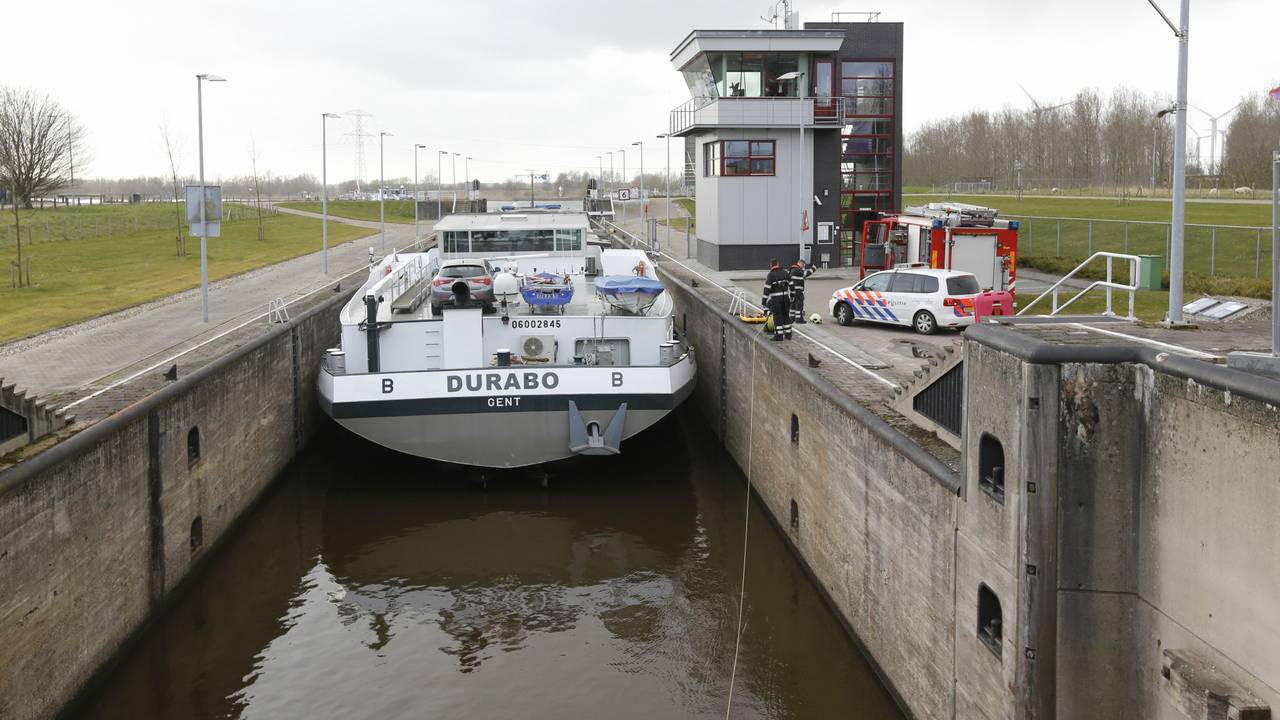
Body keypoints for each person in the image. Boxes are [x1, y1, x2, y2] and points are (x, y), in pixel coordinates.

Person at [762, 259, 792, 341]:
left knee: (777, 317)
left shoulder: (770, 275)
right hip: (786, 298)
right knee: (786, 315)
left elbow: (766, 289)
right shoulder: (785, 272)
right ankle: (788, 334)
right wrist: (792, 296)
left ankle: (779, 336)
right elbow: (792, 285)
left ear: (771, 265)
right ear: (778, 264)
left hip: (776, 300)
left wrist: (764, 302)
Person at [789, 259, 816, 324]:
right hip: (798, 291)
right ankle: (799, 319)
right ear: (800, 263)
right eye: (803, 265)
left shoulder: (793, 269)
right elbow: (805, 274)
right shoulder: (797, 270)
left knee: (793, 304)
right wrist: (813, 269)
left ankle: (792, 318)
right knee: (799, 304)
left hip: (793, 290)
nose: (803, 267)